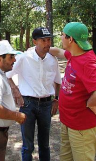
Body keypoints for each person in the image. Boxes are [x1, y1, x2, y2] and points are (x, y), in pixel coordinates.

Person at [49, 22, 96, 161]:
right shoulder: (74, 54)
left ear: (70, 39)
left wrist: (90, 104)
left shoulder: (88, 62)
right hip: (68, 121)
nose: (61, 37)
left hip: (81, 127)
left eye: (63, 35)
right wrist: (41, 48)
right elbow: (58, 52)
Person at [6, 27, 62, 161]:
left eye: (49, 40)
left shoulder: (52, 60)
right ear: (34, 41)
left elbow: (58, 81)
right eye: (43, 40)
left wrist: (56, 99)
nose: (47, 43)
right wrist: (15, 90)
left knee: (44, 145)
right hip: (27, 104)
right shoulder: (24, 58)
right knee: (27, 145)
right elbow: (7, 75)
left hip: (46, 104)